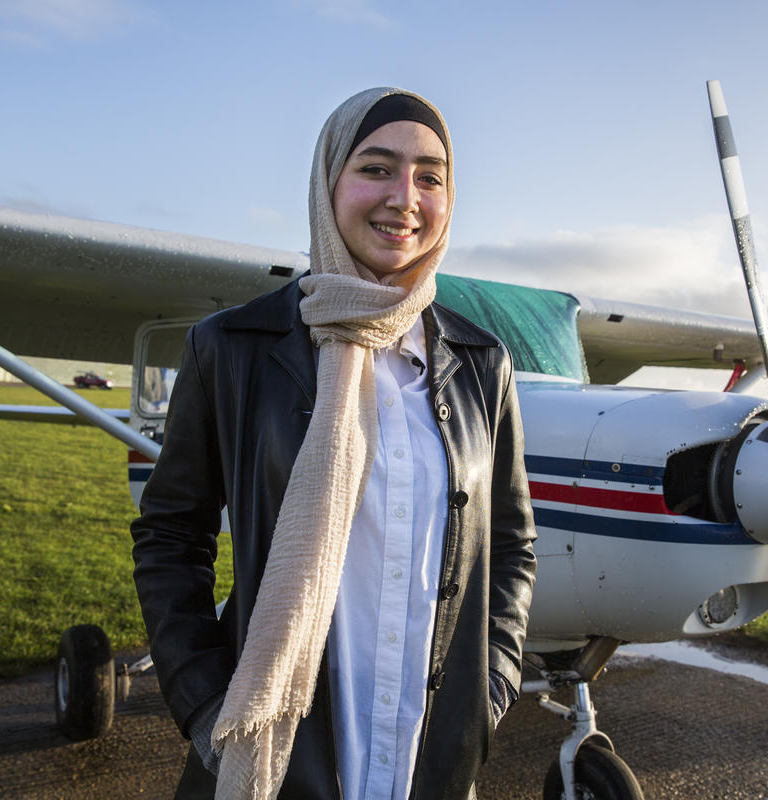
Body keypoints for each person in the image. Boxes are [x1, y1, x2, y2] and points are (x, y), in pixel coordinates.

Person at [130, 87, 537, 800]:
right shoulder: (230, 348)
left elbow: (510, 550)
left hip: (426, 761)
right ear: (328, 183)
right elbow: (171, 536)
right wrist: (204, 706)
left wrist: (489, 695)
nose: (404, 198)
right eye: (376, 169)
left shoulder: (482, 364)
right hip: (273, 762)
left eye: (429, 176)